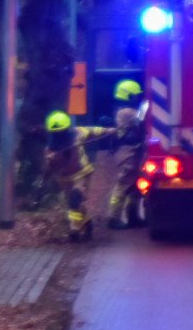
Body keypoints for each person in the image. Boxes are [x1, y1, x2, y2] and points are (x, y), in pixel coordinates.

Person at [45, 111, 115, 243]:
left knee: (75, 198)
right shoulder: (50, 148)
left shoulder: (78, 133)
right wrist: (51, 160)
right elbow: (50, 168)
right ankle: (88, 225)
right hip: (64, 178)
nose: (58, 136)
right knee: (75, 206)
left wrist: (108, 131)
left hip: (81, 173)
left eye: (61, 132)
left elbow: (93, 130)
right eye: (55, 134)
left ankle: (74, 229)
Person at [107, 79, 147, 229]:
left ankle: (133, 216)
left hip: (133, 151)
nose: (138, 98)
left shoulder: (124, 110)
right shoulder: (126, 112)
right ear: (128, 96)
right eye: (135, 96)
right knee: (123, 183)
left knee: (136, 186)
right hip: (127, 152)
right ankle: (113, 217)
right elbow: (143, 118)